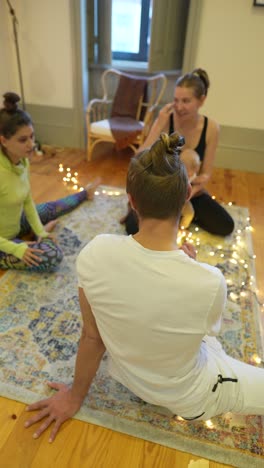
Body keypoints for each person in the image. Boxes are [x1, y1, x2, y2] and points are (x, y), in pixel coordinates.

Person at [24, 132, 264, 442]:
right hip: (191, 396)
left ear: (131, 200)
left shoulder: (95, 252)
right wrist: (191, 269)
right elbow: (206, 332)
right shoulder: (209, 281)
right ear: (187, 193)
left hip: (129, 379)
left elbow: (91, 337)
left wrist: (73, 398)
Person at [121, 68, 234, 237]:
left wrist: (184, 198)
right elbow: (137, 162)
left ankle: (175, 218)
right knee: (132, 227)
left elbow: (204, 175)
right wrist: (158, 125)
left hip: (190, 192)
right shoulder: (166, 121)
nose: (179, 107)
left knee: (225, 226)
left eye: (186, 101)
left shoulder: (211, 128)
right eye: (176, 100)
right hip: (161, 190)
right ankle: (174, 219)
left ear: (201, 101)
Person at [0, 92, 100, 272]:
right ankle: (34, 239)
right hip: (2, 244)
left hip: (15, 222)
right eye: (23, 140)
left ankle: (85, 193)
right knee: (52, 256)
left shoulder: (22, 161)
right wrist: (18, 248)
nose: (31, 144)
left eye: (32, 136)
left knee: (52, 207)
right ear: (4, 141)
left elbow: (27, 200)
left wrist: (40, 232)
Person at [120, 147, 200, 231]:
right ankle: (128, 215)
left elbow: (199, 181)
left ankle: (182, 227)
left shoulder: (192, 176)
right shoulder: (172, 170)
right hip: (162, 198)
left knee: (189, 213)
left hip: (179, 201)